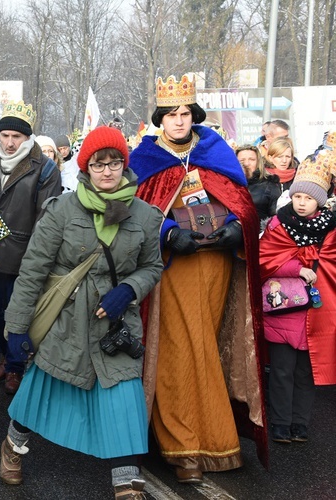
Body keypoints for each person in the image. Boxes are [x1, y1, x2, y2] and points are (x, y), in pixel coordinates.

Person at [0, 126, 162, 499]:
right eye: (98, 163)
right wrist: (17, 329)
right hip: (65, 323)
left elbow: (152, 267)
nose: (107, 171)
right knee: (40, 393)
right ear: (85, 167)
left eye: (115, 162)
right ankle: (12, 446)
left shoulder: (145, 216)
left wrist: (129, 289)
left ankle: (126, 483)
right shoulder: (61, 211)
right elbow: (34, 271)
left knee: (122, 400)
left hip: (115, 327)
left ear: (125, 164)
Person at [130, 75, 267, 482]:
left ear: (194, 115)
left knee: (205, 343)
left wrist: (237, 231)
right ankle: (182, 444)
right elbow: (130, 216)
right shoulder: (145, 160)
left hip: (215, 268)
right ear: (160, 118)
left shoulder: (215, 152)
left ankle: (212, 440)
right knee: (177, 348)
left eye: (184, 112)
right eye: (171, 114)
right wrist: (168, 233)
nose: (178, 120)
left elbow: (243, 206)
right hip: (172, 269)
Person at [0, 101, 62, 394]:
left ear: (28, 138)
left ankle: (15, 367)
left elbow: (47, 218)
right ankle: (7, 354)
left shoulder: (46, 169)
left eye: (17, 136)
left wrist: (36, 259)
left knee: (18, 316)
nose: (10, 142)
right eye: (5, 136)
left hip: (25, 256)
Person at [259, 154, 336, 444]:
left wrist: (312, 265)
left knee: (306, 373)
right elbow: (265, 259)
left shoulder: (331, 229)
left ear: (322, 200)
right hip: (283, 312)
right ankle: (280, 423)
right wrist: (298, 267)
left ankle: (300, 424)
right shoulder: (278, 226)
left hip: (317, 313)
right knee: (280, 372)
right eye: (298, 196)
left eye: (309, 197)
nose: (302, 202)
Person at [237, 144, 279, 229]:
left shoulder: (270, 184)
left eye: (251, 159)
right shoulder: (230, 184)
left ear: (258, 162)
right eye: (242, 160)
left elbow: (276, 217)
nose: (246, 163)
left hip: (259, 235)